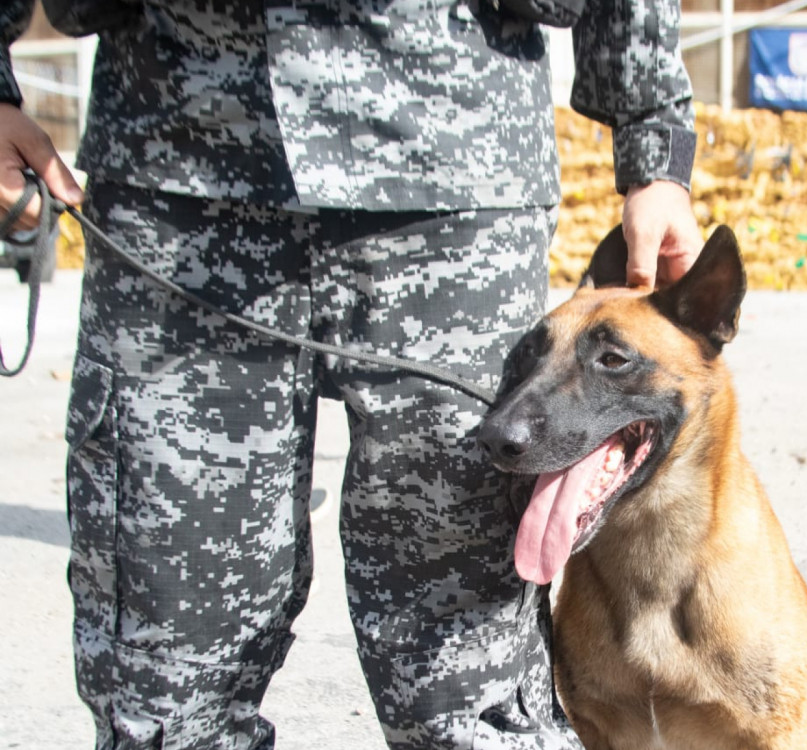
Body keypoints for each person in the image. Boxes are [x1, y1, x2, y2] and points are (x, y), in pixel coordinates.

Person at [0, 0, 701, 747]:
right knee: (167, 674)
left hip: (451, 170)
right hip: (179, 165)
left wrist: (654, 142)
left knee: (470, 691)